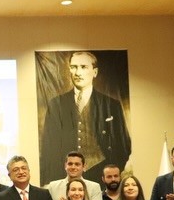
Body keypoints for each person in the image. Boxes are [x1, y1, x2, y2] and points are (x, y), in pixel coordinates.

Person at [40, 51, 132, 184]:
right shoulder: (56, 104)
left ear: (95, 72)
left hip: (101, 177)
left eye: (83, 67)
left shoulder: (112, 105)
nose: (78, 73)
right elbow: (48, 147)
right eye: (74, 67)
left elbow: (123, 146)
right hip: (66, 179)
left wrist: (109, 174)